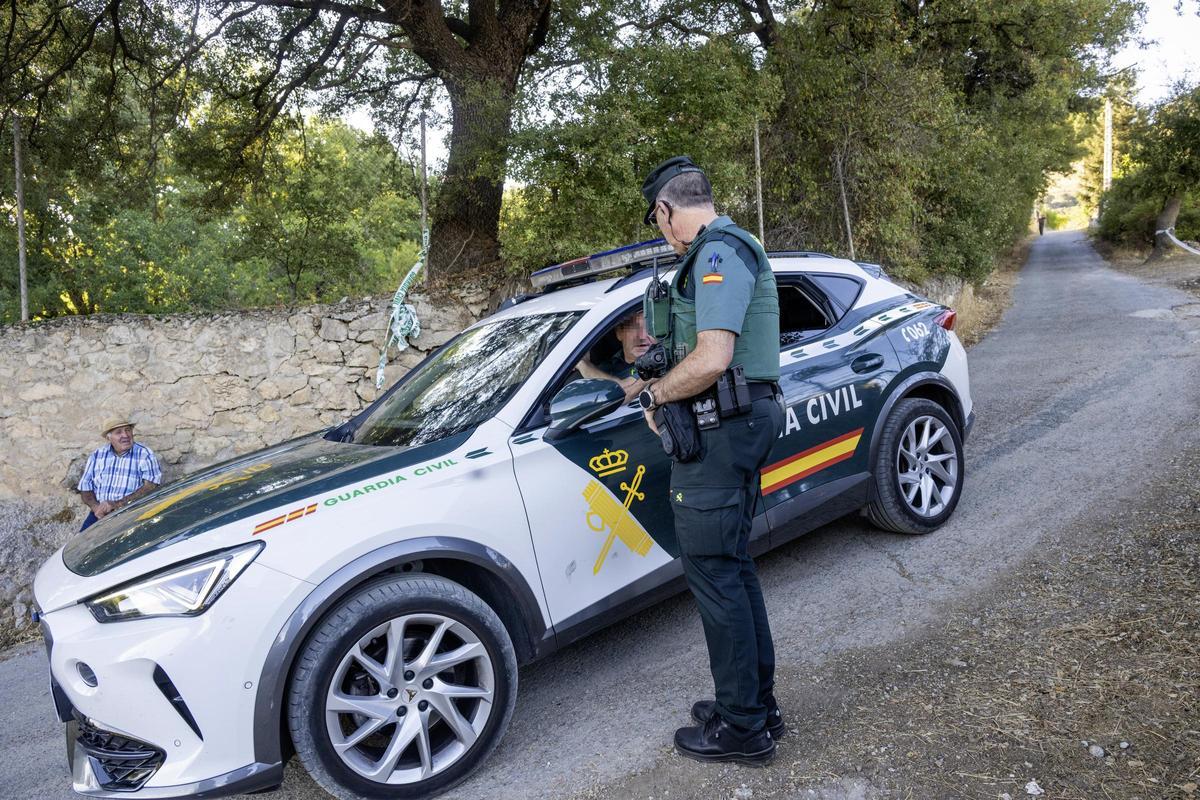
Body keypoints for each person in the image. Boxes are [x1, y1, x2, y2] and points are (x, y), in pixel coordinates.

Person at [635, 156, 786, 765]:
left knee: (715, 574)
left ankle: (743, 729)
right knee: (733, 567)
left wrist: (655, 394)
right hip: (733, 426)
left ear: (667, 210)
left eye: (657, 220)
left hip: (723, 430)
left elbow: (714, 357)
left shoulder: (720, 253)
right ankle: (753, 705)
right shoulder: (715, 253)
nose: (660, 232)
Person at [77, 416, 162, 532]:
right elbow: (85, 487)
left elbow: (151, 486)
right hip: (98, 514)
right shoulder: (98, 455)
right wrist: (96, 508)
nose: (125, 435)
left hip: (129, 513)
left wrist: (116, 505)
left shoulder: (144, 453)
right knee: (81, 547)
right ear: (109, 437)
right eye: (119, 432)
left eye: (128, 430)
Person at [576, 309, 656, 401]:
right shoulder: (607, 364)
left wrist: (582, 364)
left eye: (650, 328)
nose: (642, 336)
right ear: (619, 333)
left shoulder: (658, 364)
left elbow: (623, 391)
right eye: (634, 328)